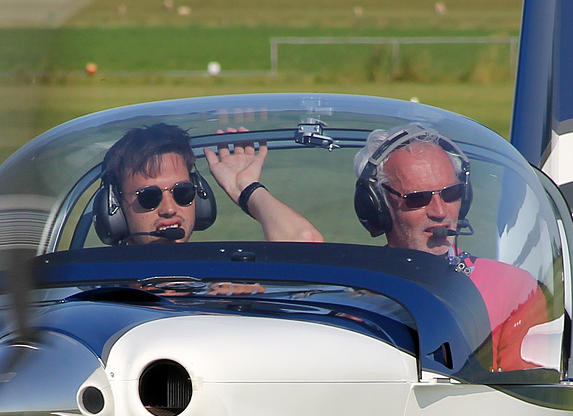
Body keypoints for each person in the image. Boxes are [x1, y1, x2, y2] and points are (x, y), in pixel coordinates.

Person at [354, 124, 548, 371]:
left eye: (451, 193)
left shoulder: (514, 289)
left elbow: (526, 396)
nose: (440, 211)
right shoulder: (353, 293)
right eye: (417, 198)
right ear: (377, 206)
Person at [95, 123, 321, 245]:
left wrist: (246, 188)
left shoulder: (217, 282)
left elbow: (305, 242)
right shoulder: (102, 294)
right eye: (149, 197)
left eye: (182, 192)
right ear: (113, 206)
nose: (170, 209)